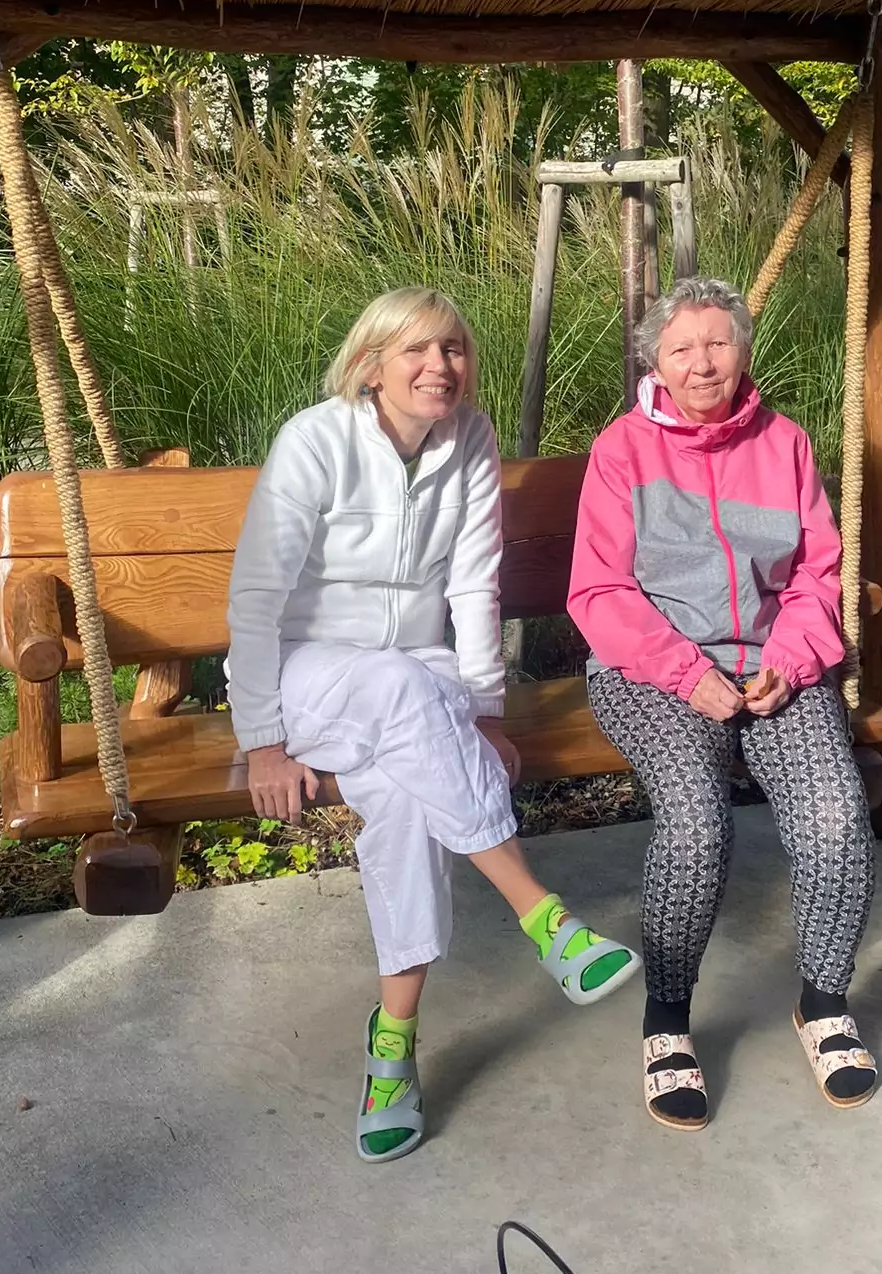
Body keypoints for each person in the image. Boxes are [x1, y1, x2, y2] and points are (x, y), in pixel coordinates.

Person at [227, 286, 639, 1163]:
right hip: (312, 675)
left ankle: (393, 1047)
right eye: (416, 349)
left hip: (418, 675)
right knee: (398, 688)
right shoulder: (316, 441)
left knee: (407, 797)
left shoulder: (471, 441)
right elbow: (258, 599)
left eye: (452, 349)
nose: (438, 366)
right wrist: (260, 740)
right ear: (371, 364)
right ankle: (542, 917)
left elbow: (473, 585)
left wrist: (483, 710)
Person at [568, 276, 877, 1131]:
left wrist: (791, 658)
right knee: (697, 822)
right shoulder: (622, 451)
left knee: (834, 813)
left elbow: (816, 574)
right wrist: (682, 671)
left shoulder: (785, 444)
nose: (702, 363)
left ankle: (823, 1001)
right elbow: (598, 590)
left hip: (773, 666)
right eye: (681, 349)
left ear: (743, 351)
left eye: (718, 343)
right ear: (655, 364)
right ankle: (666, 1019)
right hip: (650, 672)